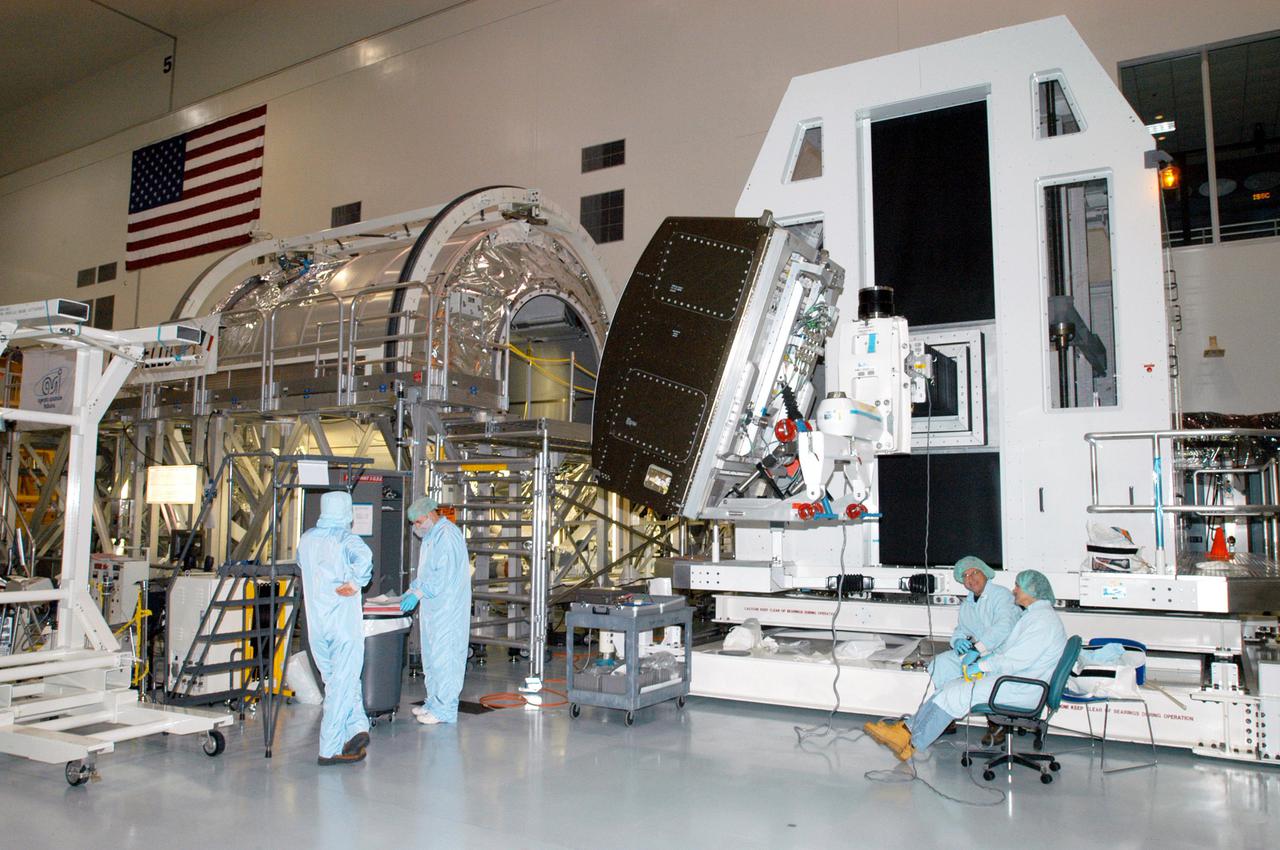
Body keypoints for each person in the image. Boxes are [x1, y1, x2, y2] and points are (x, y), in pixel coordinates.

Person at [864, 569, 1067, 761]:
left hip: (1020, 687)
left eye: (1018, 587)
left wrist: (982, 665)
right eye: (965, 575)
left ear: (1032, 590)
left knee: (956, 693)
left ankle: (911, 742)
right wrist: (973, 654)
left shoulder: (1040, 621)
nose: (1014, 590)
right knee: (949, 687)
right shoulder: (1034, 616)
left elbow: (1014, 658)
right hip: (1013, 678)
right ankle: (905, 733)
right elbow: (977, 637)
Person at [297, 490, 373, 765]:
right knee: (343, 683)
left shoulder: (306, 540)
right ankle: (329, 749)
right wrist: (354, 583)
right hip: (343, 624)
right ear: (347, 512)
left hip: (317, 624)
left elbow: (301, 566)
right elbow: (365, 560)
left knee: (338, 680)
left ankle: (356, 729)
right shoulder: (346, 538)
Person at [400, 496, 471, 725]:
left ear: (431, 514)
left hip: (447, 610)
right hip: (434, 609)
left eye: (418, 521)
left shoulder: (447, 536)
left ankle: (445, 709)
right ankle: (434, 702)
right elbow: (427, 573)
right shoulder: (432, 537)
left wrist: (419, 593)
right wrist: (413, 590)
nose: (416, 527)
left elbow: (441, 576)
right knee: (432, 659)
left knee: (446, 658)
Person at [930, 555, 1020, 689]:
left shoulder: (1001, 595)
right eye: (965, 575)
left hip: (1000, 657)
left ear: (985, 573)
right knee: (940, 664)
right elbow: (961, 629)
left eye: (974, 573)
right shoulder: (967, 603)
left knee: (978, 688)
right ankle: (937, 701)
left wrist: (977, 650)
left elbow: (1004, 627)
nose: (970, 578)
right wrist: (957, 641)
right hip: (978, 655)